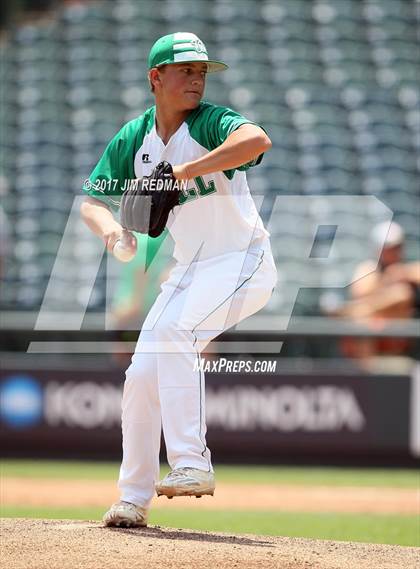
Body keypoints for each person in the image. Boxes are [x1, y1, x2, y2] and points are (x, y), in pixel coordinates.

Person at [80, 32, 277, 528]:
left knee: (173, 335)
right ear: (156, 78)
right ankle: (133, 498)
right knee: (141, 376)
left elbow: (257, 140)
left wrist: (185, 170)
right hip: (191, 269)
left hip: (243, 260)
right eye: (186, 70)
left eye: (202, 71)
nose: (197, 79)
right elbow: (91, 202)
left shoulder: (211, 122)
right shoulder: (136, 137)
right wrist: (114, 236)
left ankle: (192, 462)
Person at [338, 221, 420, 361]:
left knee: (401, 294)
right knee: (362, 318)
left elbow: (405, 292)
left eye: (396, 247)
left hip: (398, 342)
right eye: (388, 248)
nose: (392, 252)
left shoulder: (406, 269)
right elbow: (360, 291)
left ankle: (357, 310)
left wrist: (401, 274)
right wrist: (386, 283)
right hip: (371, 340)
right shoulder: (369, 268)